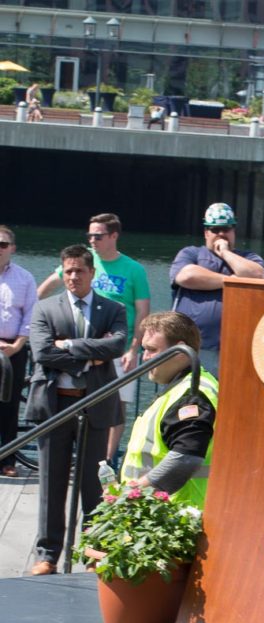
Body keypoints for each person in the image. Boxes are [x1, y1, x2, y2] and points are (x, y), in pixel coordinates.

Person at [26, 245, 126, 575]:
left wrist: (67, 345)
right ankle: (48, 553)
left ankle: (93, 550)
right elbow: (41, 352)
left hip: (94, 404)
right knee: (51, 484)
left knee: (92, 484)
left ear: (91, 273)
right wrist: (89, 356)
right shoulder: (44, 308)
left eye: (78, 271)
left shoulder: (112, 309)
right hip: (55, 405)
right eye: (67, 271)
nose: (72, 277)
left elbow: (116, 345)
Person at [38, 212, 152, 464]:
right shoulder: (83, 263)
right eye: (89, 235)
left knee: (117, 404)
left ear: (114, 235)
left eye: (98, 235)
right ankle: (73, 453)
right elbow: (47, 287)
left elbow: (143, 311)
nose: (92, 240)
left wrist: (134, 349)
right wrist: (35, 317)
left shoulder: (134, 269)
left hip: (118, 348)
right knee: (75, 395)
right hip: (79, 347)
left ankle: (105, 460)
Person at [120, 311, 217, 507]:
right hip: (157, 512)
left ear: (180, 352)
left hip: (175, 516)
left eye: (152, 350)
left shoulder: (192, 395)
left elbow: (185, 458)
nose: (145, 358)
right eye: (143, 350)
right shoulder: (181, 389)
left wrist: (134, 494)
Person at [169, 202, 264, 376]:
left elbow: (259, 276)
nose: (221, 234)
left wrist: (226, 252)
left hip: (235, 349)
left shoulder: (249, 257)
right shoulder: (191, 253)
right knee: (189, 400)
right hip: (193, 347)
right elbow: (186, 276)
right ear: (206, 232)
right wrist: (232, 281)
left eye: (227, 229)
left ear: (234, 231)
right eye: (215, 230)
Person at [0, 225, 37, 476]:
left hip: (14, 348)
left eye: (3, 244)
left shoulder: (25, 278)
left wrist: (18, 344)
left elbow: (31, 315)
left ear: (12, 248)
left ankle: (7, 461)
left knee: (10, 406)